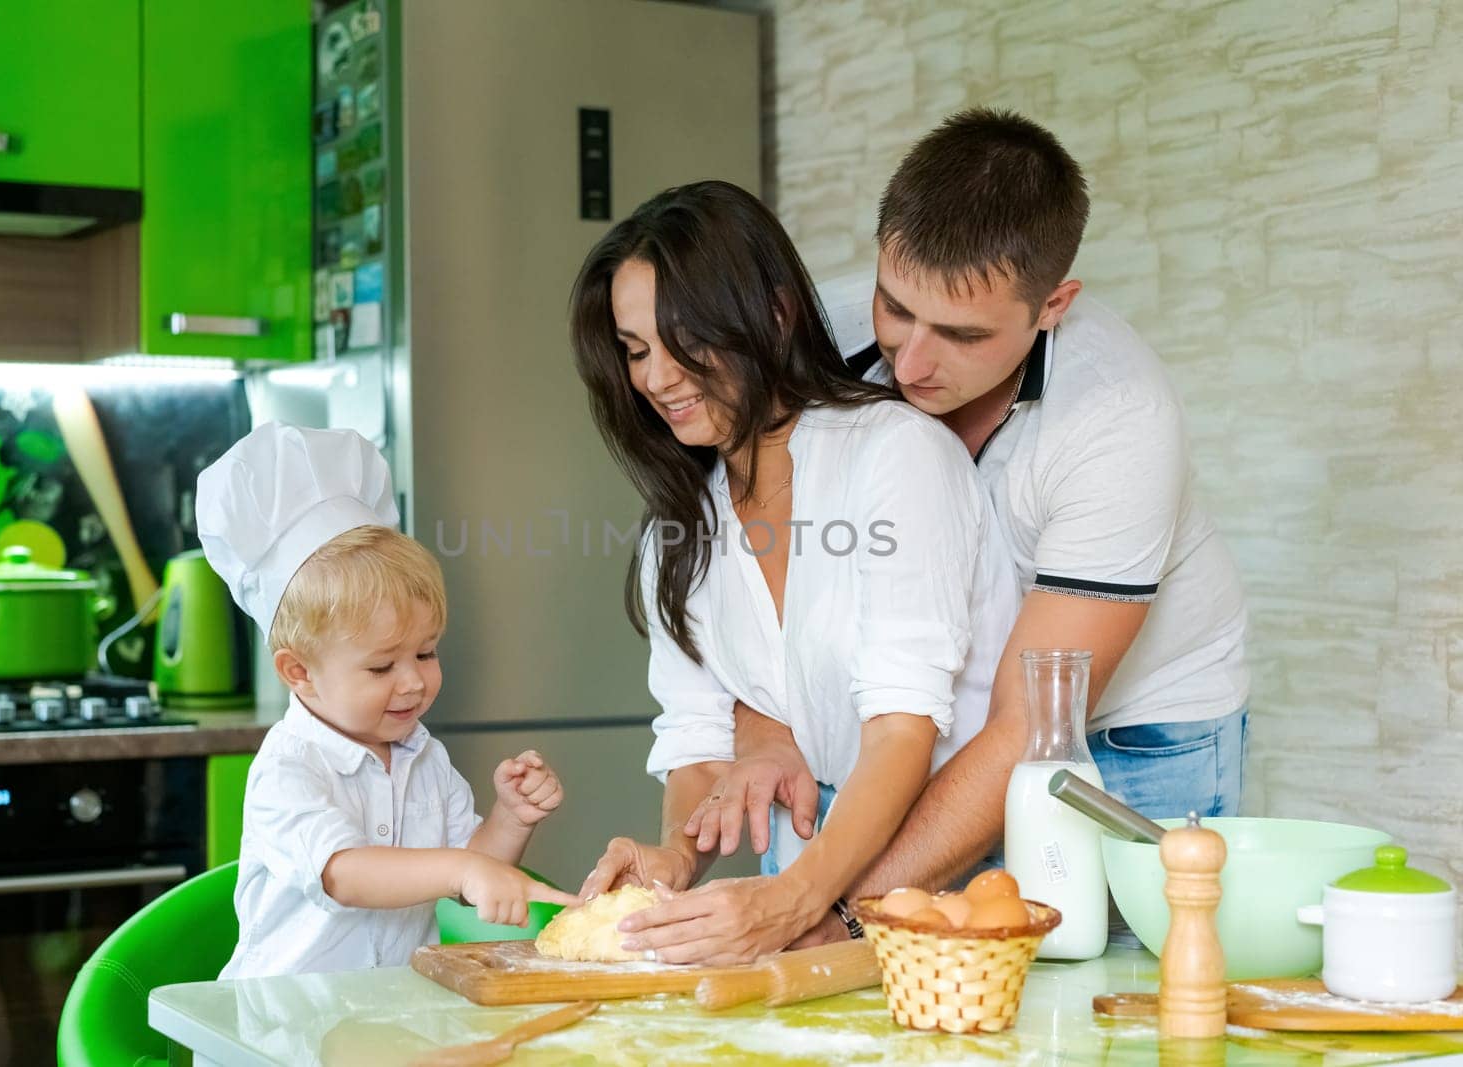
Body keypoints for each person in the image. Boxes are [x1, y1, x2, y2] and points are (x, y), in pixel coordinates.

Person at [692, 108, 1250, 940]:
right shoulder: (823, 337)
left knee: (1096, 1006)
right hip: (935, 722)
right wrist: (766, 727)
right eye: (895, 306)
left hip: (1124, 736)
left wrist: (835, 910)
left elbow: (1029, 724)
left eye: (961, 335)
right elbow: (750, 562)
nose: (908, 363)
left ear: (1052, 305)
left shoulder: (1118, 420)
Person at [570, 180, 1020, 964]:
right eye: (637, 349)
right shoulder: (681, 531)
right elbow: (702, 748)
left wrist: (799, 900)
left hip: (962, 881)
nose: (657, 377)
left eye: (684, 340)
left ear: (774, 314)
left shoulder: (892, 456)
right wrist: (676, 860)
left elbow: (899, 729)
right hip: (819, 874)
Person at [196, 423, 577, 978]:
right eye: (381, 666)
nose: (413, 683)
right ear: (299, 672)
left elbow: (476, 877)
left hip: (385, 1020)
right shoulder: (289, 767)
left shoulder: (426, 758)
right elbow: (344, 875)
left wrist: (511, 820)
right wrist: (461, 870)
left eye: (426, 653)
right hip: (286, 1028)